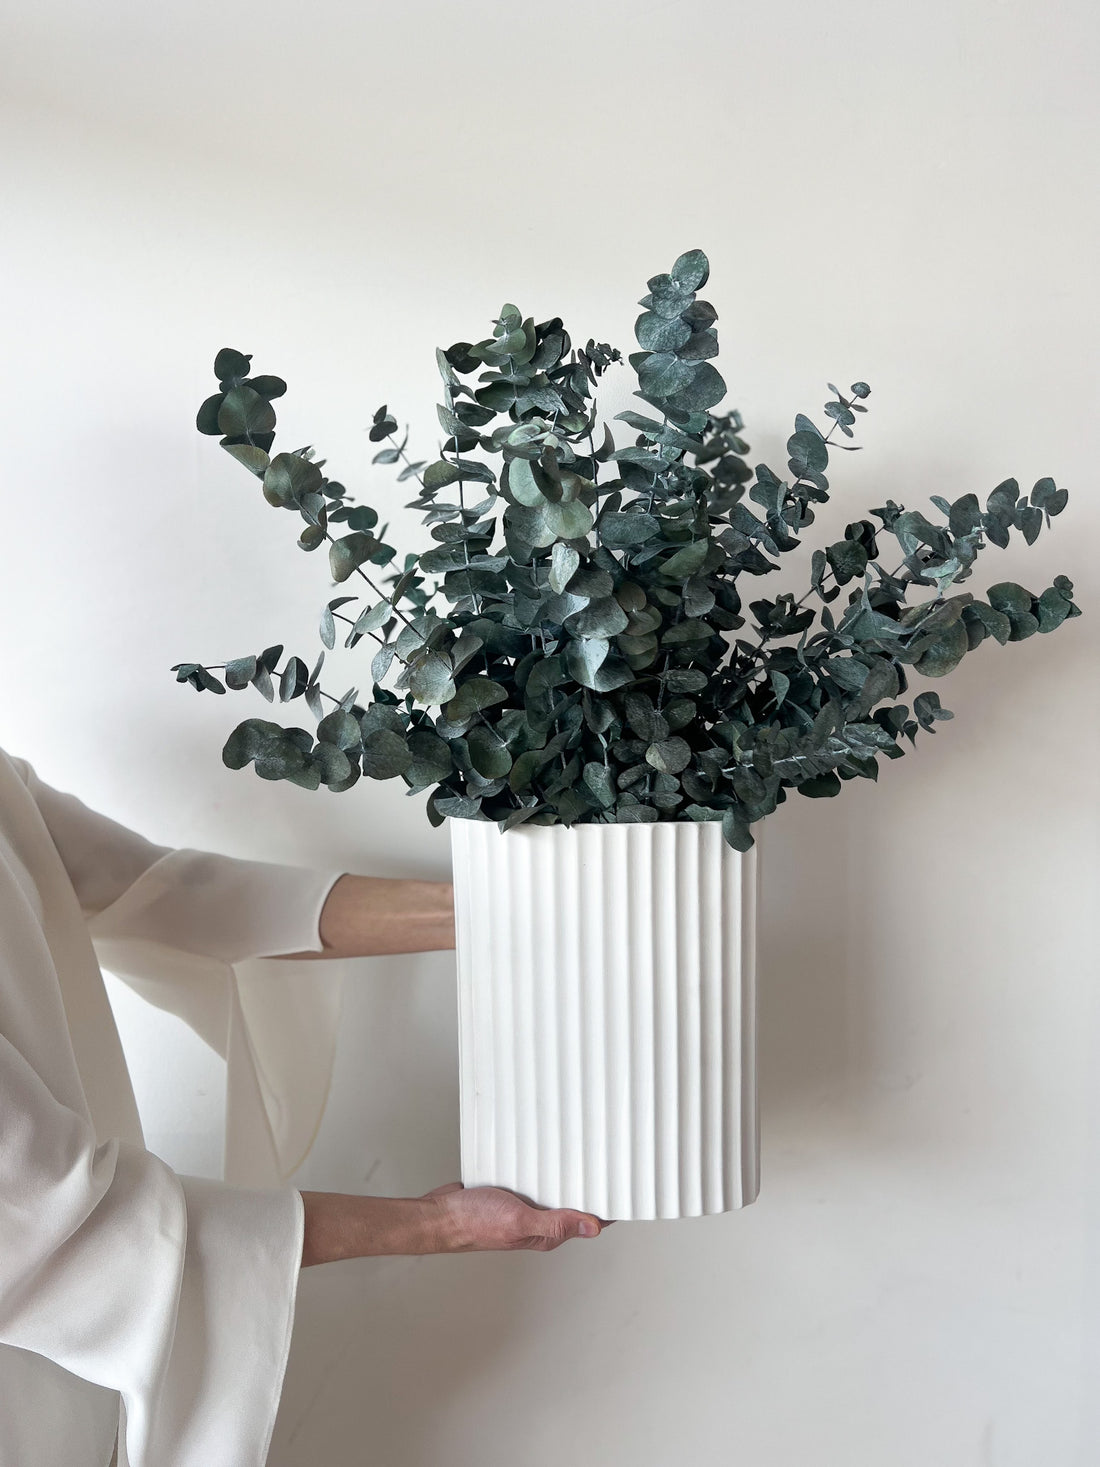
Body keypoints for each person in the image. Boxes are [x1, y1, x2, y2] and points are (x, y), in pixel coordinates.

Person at [0, 746, 609, 1467]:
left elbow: (175, 896)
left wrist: (506, 909)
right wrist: (441, 1224)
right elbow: (47, 1223)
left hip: (79, 1403)